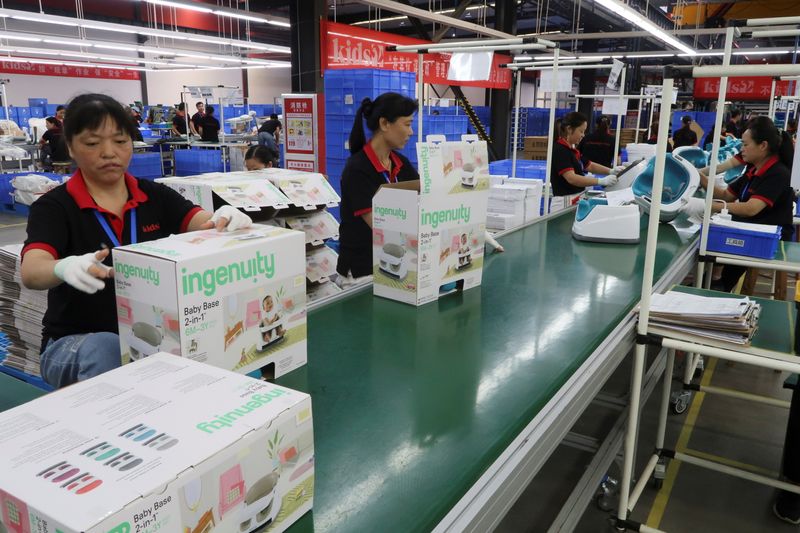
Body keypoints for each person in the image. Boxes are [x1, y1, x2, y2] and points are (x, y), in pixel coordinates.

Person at [20, 93, 253, 389]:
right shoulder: (55, 207)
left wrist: (227, 218)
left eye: (120, 141)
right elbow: (31, 271)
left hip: (145, 336)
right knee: (105, 349)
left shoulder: (153, 195)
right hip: (75, 343)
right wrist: (62, 268)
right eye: (93, 143)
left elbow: (204, 223)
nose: (109, 152)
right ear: (72, 147)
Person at [687, 116, 794, 293]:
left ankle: (716, 287)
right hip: (750, 229)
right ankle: (712, 284)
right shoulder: (753, 169)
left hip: (769, 238)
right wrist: (697, 176)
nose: (741, 149)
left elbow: (751, 208)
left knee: (716, 256)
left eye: (745, 144)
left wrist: (706, 206)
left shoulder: (778, 173)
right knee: (710, 251)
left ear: (763, 146)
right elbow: (726, 195)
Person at [336, 93, 418, 287]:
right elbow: (380, 224)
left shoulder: (401, 163)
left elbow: (424, 197)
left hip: (395, 265)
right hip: (362, 273)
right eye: (407, 124)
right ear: (384, 124)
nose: (411, 132)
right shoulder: (357, 169)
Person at [550, 112, 619, 202]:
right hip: (565, 201)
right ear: (569, 129)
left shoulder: (572, 150)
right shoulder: (560, 150)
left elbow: (589, 165)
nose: (583, 135)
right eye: (581, 131)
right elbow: (571, 178)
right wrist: (600, 181)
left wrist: (611, 171)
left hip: (574, 198)